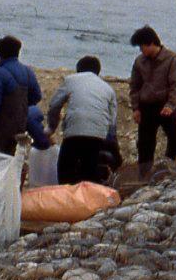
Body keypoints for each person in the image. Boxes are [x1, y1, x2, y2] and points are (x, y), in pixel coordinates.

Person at [44, 54, 120, 184]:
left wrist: (52, 127)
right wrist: (110, 140)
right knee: (89, 169)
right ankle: (87, 199)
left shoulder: (71, 80)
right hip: (98, 135)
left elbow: (55, 105)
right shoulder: (108, 88)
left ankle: (66, 196)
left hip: (74, 131)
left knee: (66, 167)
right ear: (98, 71)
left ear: (78, 69)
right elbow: (112, 121)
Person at [128, 25, 176, 172]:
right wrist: (136, 108)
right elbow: (134, 86)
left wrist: (171, 105)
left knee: (174, 137)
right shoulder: (139, 62)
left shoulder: (173, 59)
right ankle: (144, 175)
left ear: (151, 43)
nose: (141, 51)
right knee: (144, 144)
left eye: (142, 47)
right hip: (146, 106)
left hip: (165, 105)